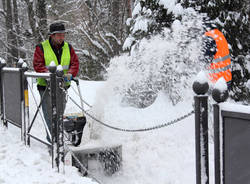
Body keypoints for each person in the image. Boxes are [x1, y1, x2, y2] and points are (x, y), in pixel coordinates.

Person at [33, 22, 79, 143]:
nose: (62, 38)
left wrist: (70, 73)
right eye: (59, 35)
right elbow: (38, 65)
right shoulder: (41, 47)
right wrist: (51, 76)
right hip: (46, 88)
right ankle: (52, 142)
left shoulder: (68, 47)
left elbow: (75, 63)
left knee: (59, 115)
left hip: (63, 87)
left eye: (63, 35)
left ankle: (58, 140)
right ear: (52, 35)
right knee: (50, 116)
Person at [202, 24, 232, 89]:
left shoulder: (209, 37)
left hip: (215, 81)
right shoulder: (218, 34)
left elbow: (206, 60)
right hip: (226, 78)